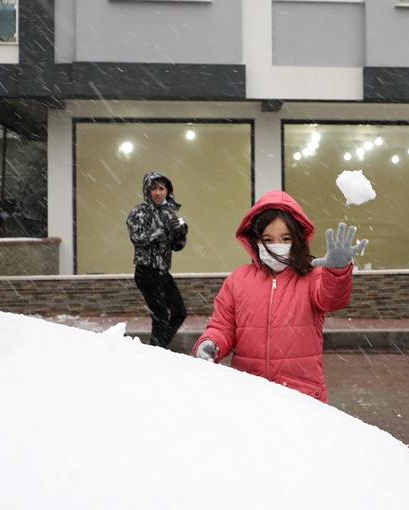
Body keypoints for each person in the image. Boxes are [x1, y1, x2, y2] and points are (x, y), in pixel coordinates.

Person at [192, 191, 368, 404]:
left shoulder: (311, 275)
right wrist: (211, 343)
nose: (277, 245)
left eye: (285, 239)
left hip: (301, 395)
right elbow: (223, 327)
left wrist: (338, 271)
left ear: (297, 239)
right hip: (249, 392)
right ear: (255, 241)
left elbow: (333, 300)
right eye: (268, 239)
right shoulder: (238, 279)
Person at [126, 172, 189, 349]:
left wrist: (181, 234)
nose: (158, 193)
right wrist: (161, 231)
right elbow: (137, 238)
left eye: (162, 188)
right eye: (154, 188)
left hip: (163, 272)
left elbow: (177, 246)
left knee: (180, 312)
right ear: (147, 190)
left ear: (167, 191)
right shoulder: (139, 212)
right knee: (160, 315)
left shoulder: (169, 214)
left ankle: (158, 349)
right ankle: (156, 353)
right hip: (146, 272)